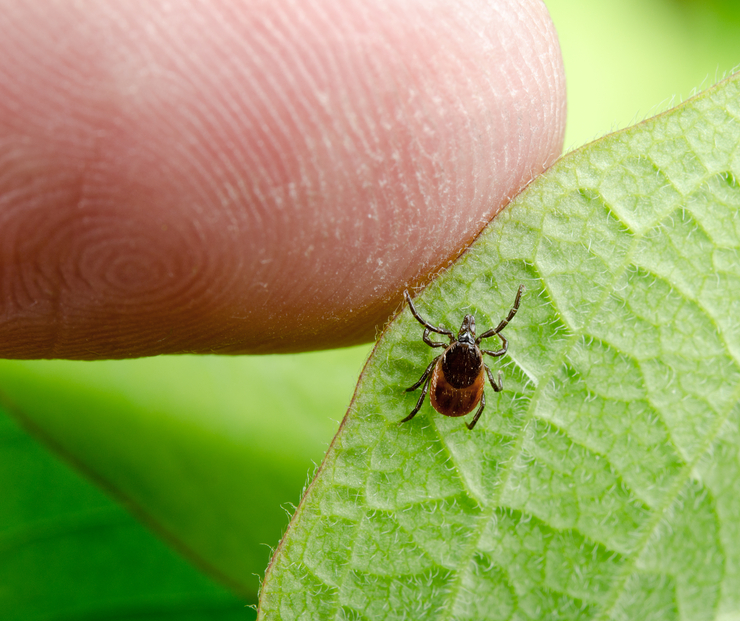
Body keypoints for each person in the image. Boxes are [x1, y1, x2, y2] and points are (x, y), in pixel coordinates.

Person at [0, 0, 565, 359]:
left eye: (462, 343)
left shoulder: (446, 352)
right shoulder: (476, 355)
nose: (465, 340)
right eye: (466, 344)